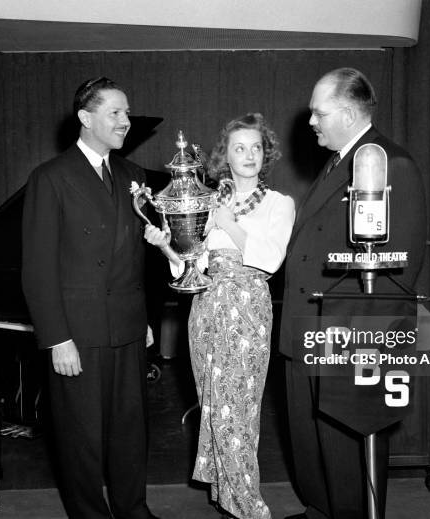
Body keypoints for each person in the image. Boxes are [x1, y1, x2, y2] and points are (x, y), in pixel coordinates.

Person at [279, 68, 427, 519]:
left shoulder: (387, 164)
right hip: (307, 329)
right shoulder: (339, 160)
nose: (311, 122)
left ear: (345, 113)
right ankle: (319, 512)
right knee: (309, 440)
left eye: (318, 113)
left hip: (347, 337)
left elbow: (401, 266)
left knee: (345, 445)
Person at [21, 77, 161, 519]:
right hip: (77, 333)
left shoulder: (133, 176)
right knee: (80, 438)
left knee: (130, 430)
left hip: (126, 325)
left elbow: (136, 260)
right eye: (115, 113)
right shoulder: (51, 178)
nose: (126, 121)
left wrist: (145, 321)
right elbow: (37, 269)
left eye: (126, 112)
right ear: (85, 118)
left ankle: (132, 509)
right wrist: (56, 338)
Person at [145, 113, 295, 519]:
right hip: (206, 307)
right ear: (224, 156)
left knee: (239, 408)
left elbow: (271, 260)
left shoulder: (280, 204)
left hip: (247, 309)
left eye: (256, 148)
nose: (249, 155)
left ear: (267, 155)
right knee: (213, 405)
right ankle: (228, 497)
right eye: (239, 148)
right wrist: (165, 248)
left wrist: (233, 225)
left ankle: (248, 505)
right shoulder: (208, 201)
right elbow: (191, 264)